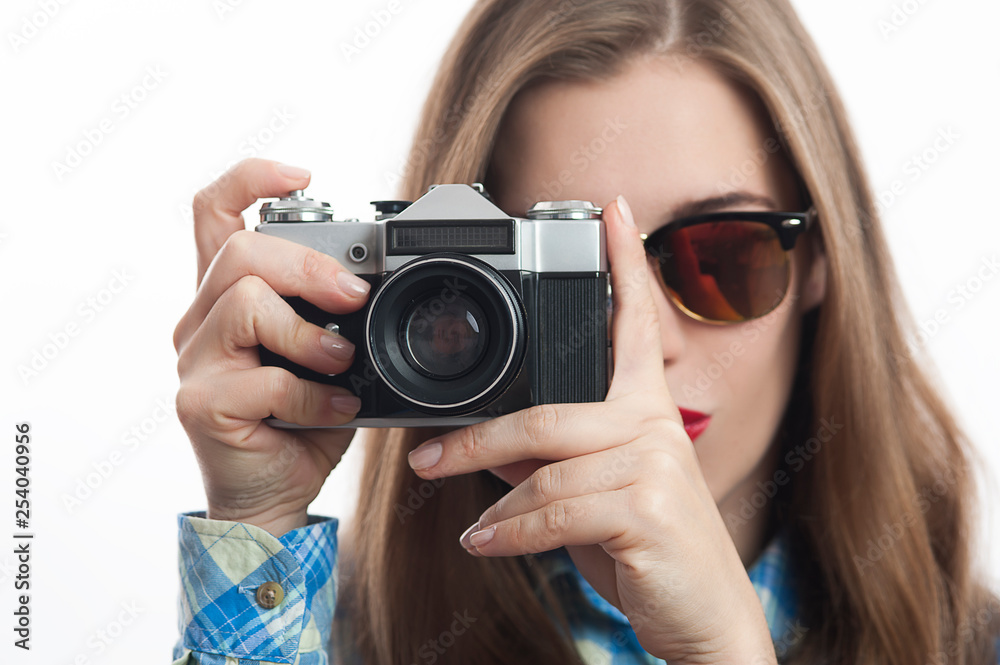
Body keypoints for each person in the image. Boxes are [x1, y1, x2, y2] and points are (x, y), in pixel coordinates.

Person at [170, 0, 1000, 663]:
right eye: (568, 275)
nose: (647, 342)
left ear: (821, 259)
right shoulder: (313, 635)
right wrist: (260, 523)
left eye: (720, 257)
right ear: (435, 290)